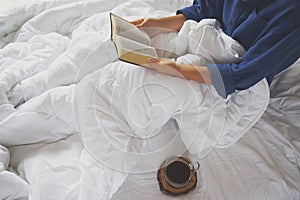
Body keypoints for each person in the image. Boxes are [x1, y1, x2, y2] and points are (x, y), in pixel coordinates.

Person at [131, 0, 300, 98]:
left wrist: (176, 69)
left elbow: (243, 75)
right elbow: (204, 9)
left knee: (147, 86)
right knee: (131, 46)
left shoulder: (293, 14)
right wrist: (158, 24)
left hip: (236, 81)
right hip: (205, 37)